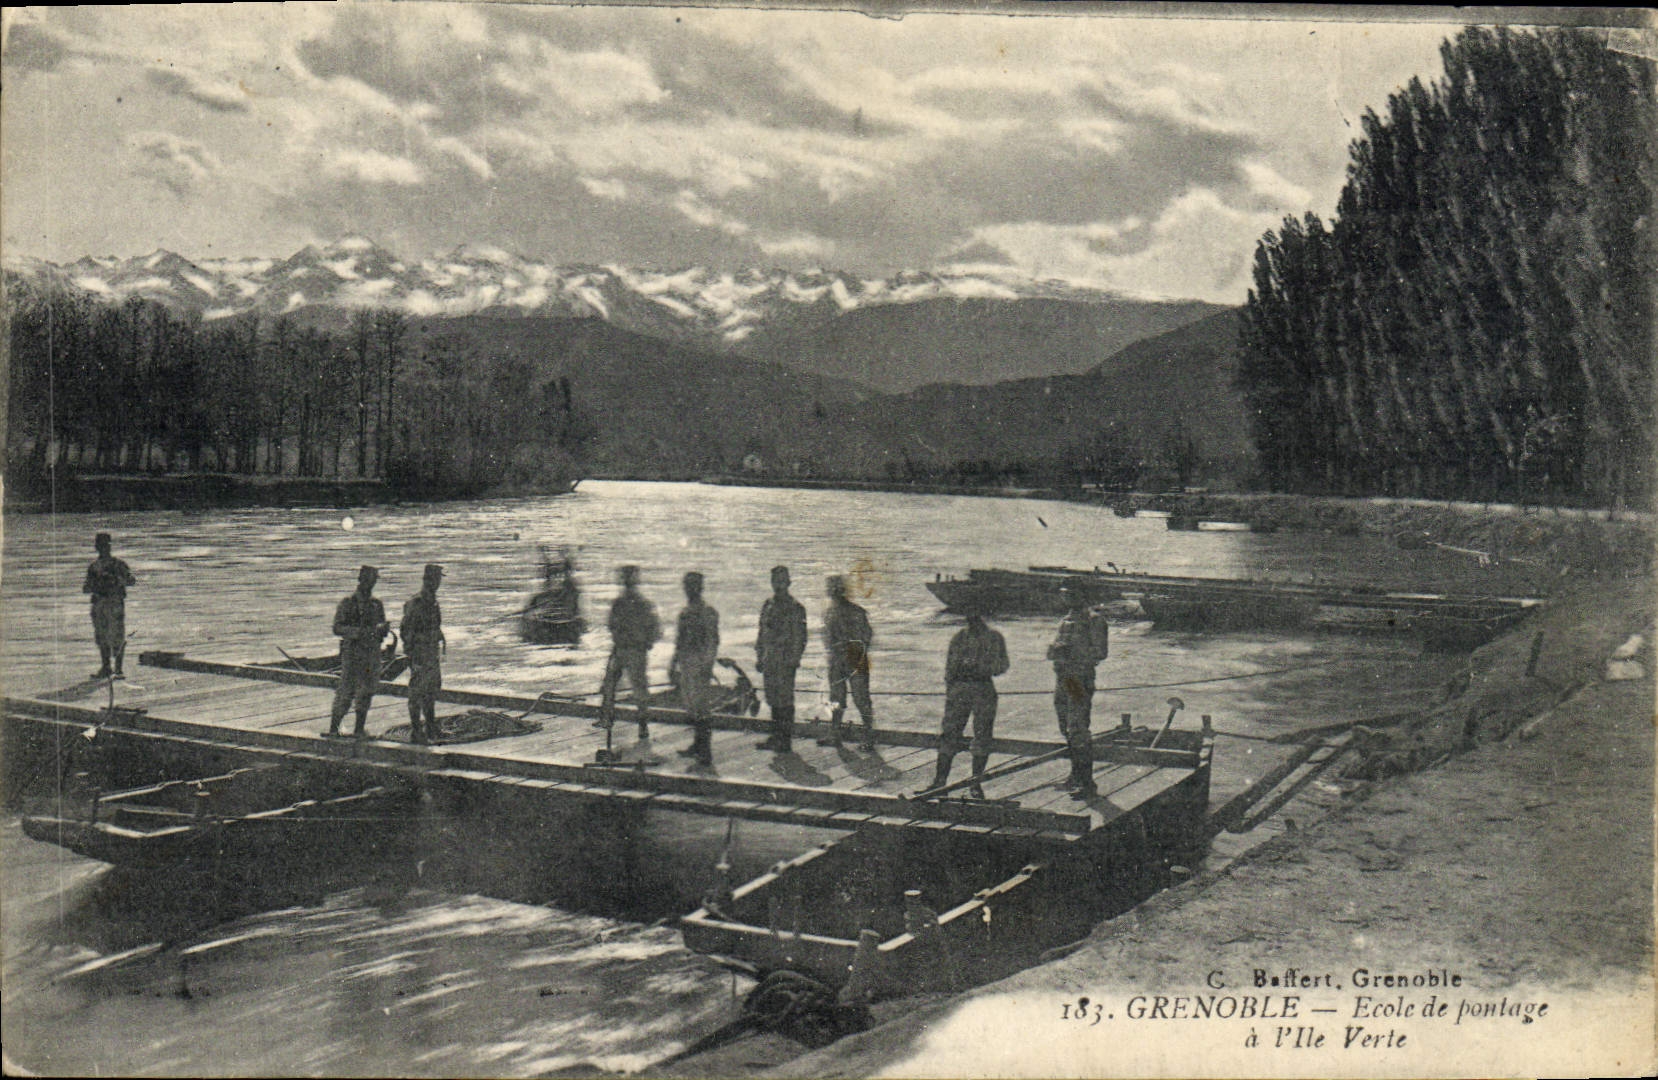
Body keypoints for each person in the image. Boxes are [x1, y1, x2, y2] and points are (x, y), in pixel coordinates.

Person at [918, 609, 1009, 799]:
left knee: (982, 735)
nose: (971, 619)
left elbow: (1002, 665)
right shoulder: (959, 637)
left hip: (982, 687)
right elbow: (949, 666)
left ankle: (975, 784)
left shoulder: (994, 638)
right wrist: (951, 687)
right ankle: (939, 782)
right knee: (949, 733)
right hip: (959, 689)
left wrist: (981, 667)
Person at [1047, 578, 1110, 798]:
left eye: (1072, 594)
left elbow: (1100, 652)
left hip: (1077, 679)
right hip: (1063, 678)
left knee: (1078, 729)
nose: (1067, 598)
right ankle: (1075, 775)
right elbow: (1057, 648)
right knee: (1066, 727)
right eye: (1065, 593)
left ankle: (1087, 782)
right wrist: (1054, 650)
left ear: (1083, 595)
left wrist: (1070, 652)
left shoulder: (1093, 619)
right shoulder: (1065, 620)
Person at [325, 565, 390, 739]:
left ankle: (359, 729)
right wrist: (358, 632)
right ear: (360, 580)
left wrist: (382, 630)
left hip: (372, 653)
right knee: (346, 690)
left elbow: (381, 625)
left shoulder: (377, 604)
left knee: (367, 690)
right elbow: (337, 627)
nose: (371, 583)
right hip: (353, 652)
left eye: (374, 580)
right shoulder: (348, 603)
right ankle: (334, 728)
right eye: (368, 579)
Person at [600, 565, 660, 740]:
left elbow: (653, 628)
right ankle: (614, 719)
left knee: (630, 687)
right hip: (624, 650)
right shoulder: (632, 603)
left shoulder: (637, 604)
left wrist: (645, 643)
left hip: (631, 650)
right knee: (614, 684)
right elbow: (613, 626)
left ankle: (639, 724)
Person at [754, 565, 808, 753]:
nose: (778, 585)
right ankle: (776, 736)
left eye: (782, 581)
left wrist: (794, 659)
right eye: (775, 581)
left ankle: (785, 740)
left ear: (788, 583)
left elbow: (801, 638)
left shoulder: (795, 608)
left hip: (785, 661)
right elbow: (761, 633)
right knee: (772, 699)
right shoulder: (767, 605)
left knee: (785, 700)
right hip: (770, 659)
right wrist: (759, 656)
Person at [821, 575, 876, 752]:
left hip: (853, 656)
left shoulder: (856, 612)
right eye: (831, 589)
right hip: (838, 658)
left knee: (861, 699)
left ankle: (868, 737)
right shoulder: (830, 612)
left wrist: (854, 649)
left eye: (835, 589)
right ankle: (835, 734)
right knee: (836, 698)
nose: (832, 592)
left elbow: (867, 636)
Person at [671, 571, 720, 766]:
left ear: (698, 588)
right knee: (692, 705)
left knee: (701, 707)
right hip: (687, 662)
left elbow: (713, 641)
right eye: (686, 585)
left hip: (699, 663)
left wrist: (707, 664)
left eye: (692, 586)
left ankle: (705, 751)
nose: (688, 589)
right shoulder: (685, 612)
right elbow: (679, 641)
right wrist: (674, 663)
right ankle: (697, 745)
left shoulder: (707, 612)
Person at [400, 563, 446, 745]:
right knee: (417, 691)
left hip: (431, 652)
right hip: (420, 653)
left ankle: (430, 726)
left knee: (431, 689)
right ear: (429, 580)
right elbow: (406, 631)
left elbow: (434, 626)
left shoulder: (433, 602)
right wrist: (412, 656)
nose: (438, 583)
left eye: (439, 579)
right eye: (436, 579)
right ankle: (416, 730)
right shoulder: (415, 603)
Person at [82, 532, 136, 680]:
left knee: (117, 635)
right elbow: (85, 588)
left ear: (110, 546)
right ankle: (106, 667)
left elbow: (131, 580)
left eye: (106, 545)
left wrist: (116, 580)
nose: (103, 548)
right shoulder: (94, 567)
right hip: (99, 603)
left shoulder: (118, 564)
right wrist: (97, 584)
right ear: (96, 547)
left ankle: (118, 670)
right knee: (101, 636)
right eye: (101, 545)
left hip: (115, 602)